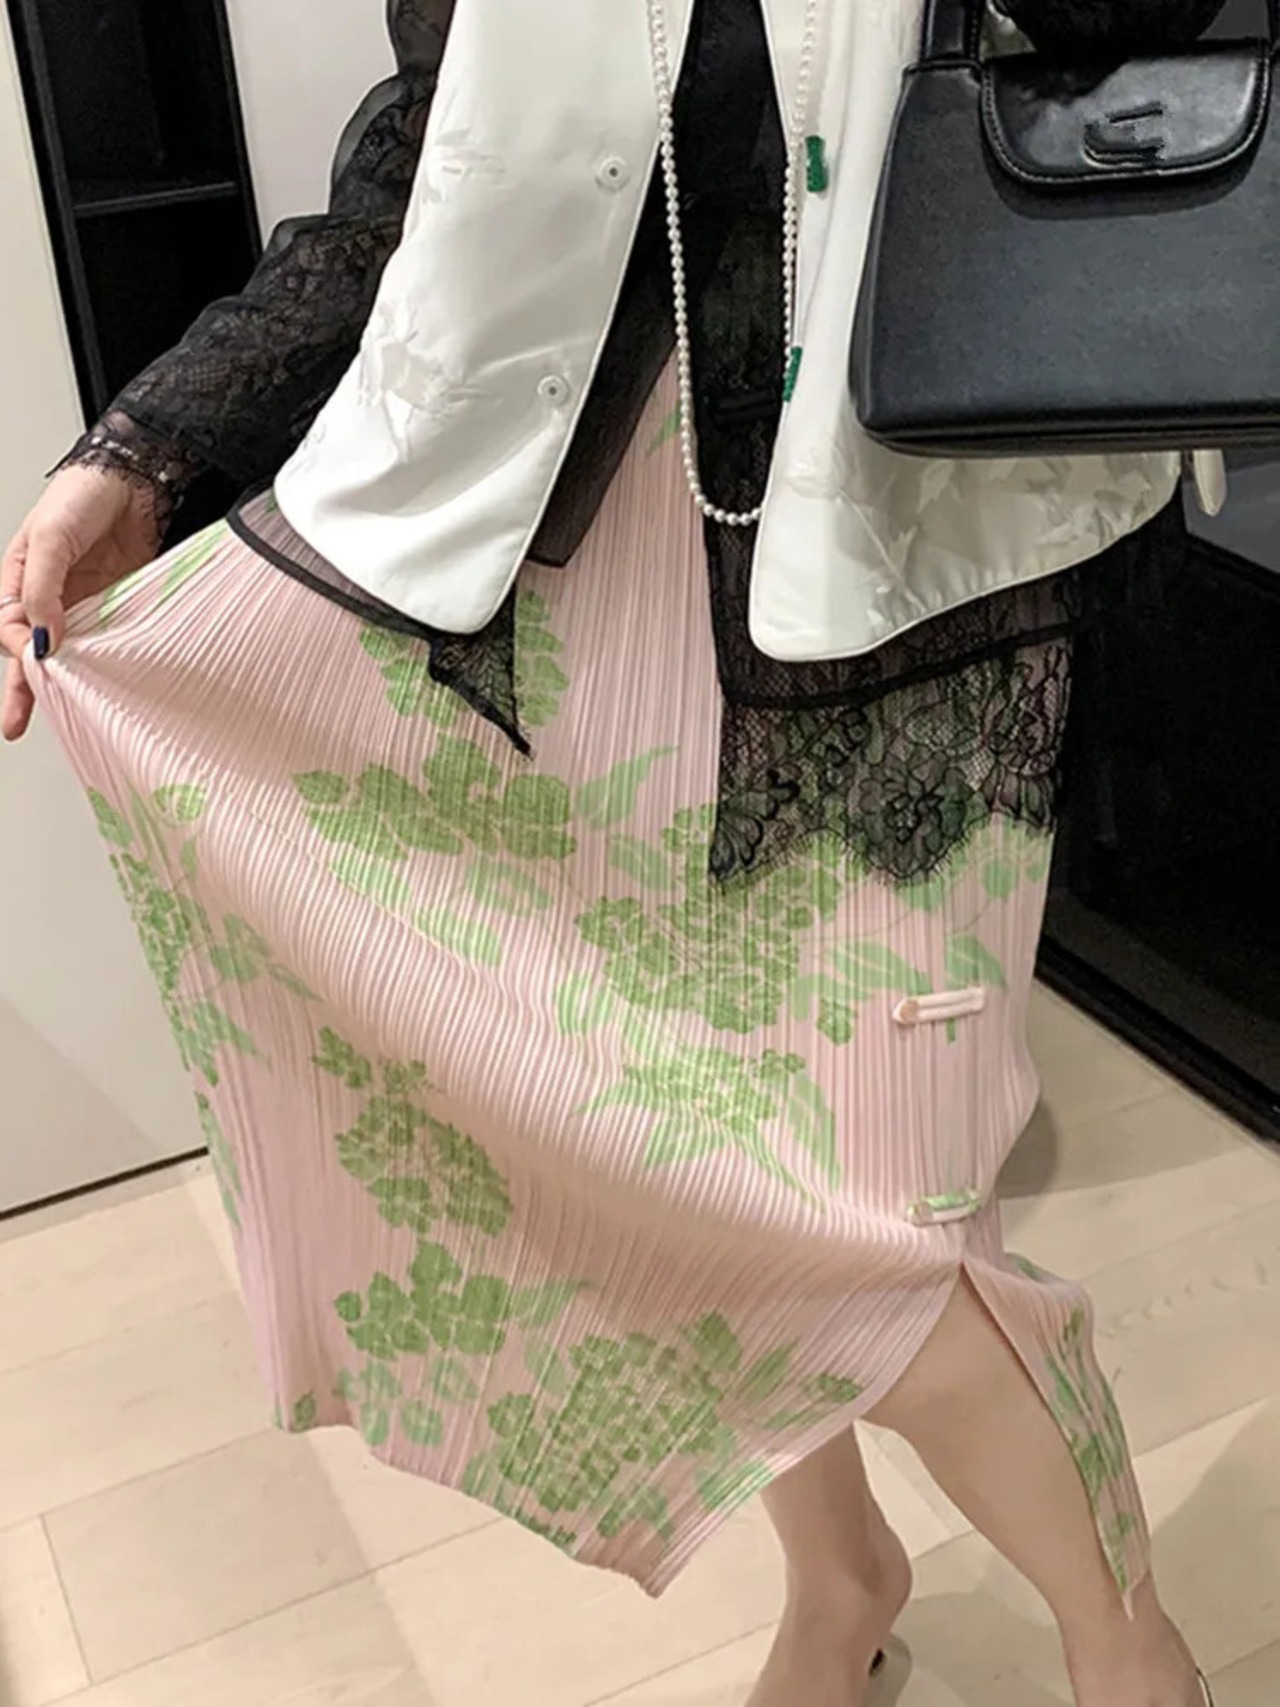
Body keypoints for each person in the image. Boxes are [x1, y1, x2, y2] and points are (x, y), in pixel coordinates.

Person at [0, 2, 1226, 1702]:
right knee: (686, 1140)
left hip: (907, 538)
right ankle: (841, 1573)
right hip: (565, 554)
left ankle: (1128, 1646)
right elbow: (432, 146)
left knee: (892, 1216)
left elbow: (1133, 24)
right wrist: (147, 448)